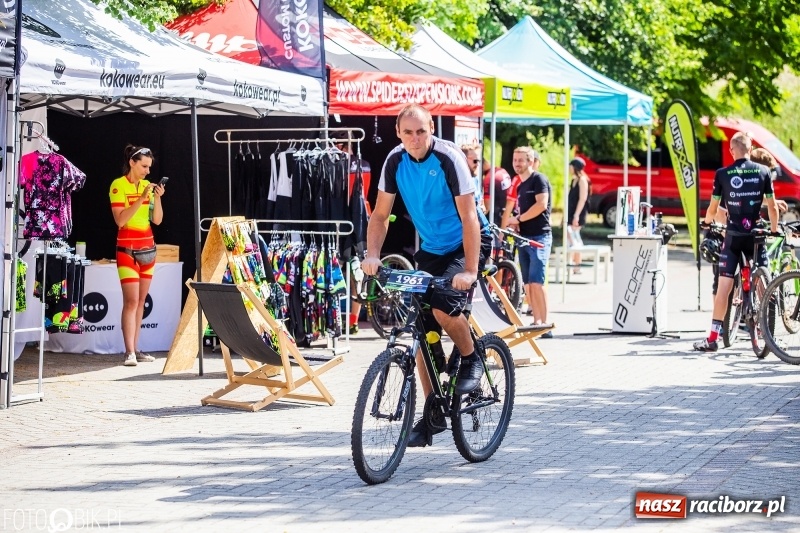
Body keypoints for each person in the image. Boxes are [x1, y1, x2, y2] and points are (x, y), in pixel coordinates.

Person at [362, 104, 492, 447]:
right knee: (422, 327)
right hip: (432, 248)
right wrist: (372, 255)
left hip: (467, 242)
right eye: (408, 132)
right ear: (398, 133)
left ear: (431, 128)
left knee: (441, 307)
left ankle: (471, 356)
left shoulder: (449, 158)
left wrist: (469, 271)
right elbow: (379, 215)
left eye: (421, 131)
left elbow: (470, 219)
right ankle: (433, 410)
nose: (415, 138)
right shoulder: (394, 161)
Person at [693, 132, 779, 352]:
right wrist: (774, 229)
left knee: (724, 287)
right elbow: (772, 206)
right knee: (764, 282)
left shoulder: (723, 174)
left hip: (733, 237)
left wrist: (707, 222)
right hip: (756, 236)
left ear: (732, 151)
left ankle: (712, 338)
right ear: (750, 149)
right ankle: (766, 330)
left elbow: (713, 207)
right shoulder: (763, 171)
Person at [110, 145, 165, 366]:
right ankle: (129, 352)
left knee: (141, 301)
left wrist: (157, 198)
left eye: (149, 167)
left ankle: (136, 347)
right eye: (143, 166)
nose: (147, 171)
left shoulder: (147, 186)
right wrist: (141, 198)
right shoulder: (118, 185)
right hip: (126, 250)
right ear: (132, 163)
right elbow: (120, 220)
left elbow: (158, 220)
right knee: (131, 301)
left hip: (148, 249)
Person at [503, 147, 553, 336]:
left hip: (540, 236)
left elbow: (541, 205)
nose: (517, 163)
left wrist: (519, 219)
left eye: (521, 160)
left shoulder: (539, 179)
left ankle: (545, 324)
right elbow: (521, 212)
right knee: (528, 284)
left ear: (530, 161)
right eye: (515, 160)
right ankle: (536, 321)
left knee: (538, 281)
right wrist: (516, 223)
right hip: (523, 238)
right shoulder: (520, 186)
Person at [567, 157, 591, 274]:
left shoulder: (582, 180)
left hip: (578, 213)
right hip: (571, 212)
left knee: (574, 238)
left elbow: (582, 199)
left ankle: (577, 265)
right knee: (571, 238)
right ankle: (574, 264)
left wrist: (576, 215)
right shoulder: (574, 180)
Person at [482, 158, 513, 225]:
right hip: (507, 211)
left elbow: (487, 207)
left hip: (495, 217)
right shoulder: (502, 171)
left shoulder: (488, 178)